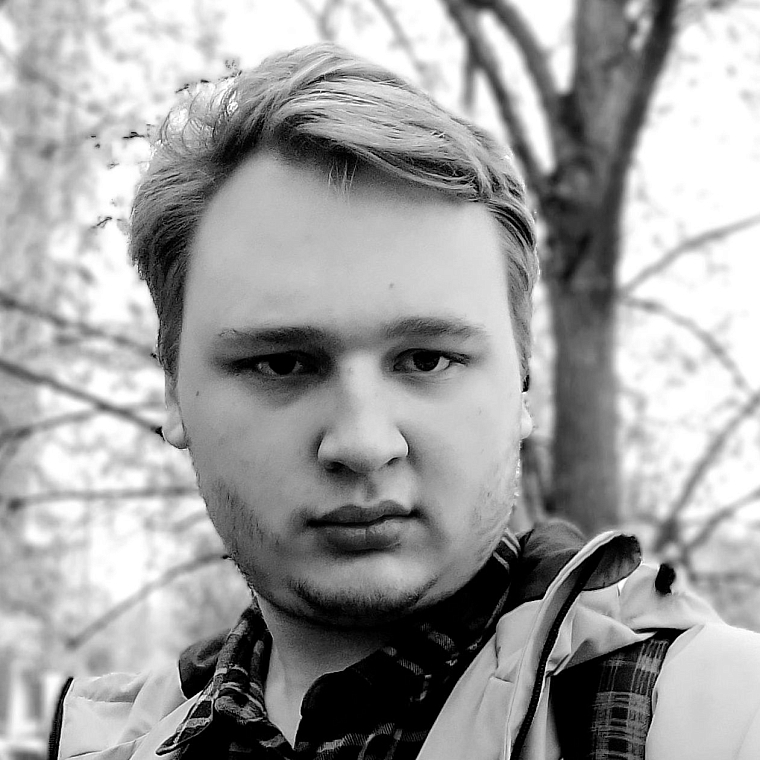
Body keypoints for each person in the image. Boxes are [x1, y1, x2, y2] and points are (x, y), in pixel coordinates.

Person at [49, 44, 760, 760]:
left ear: (522, 382)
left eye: (427, 360)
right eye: (282, 364)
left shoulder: (716, 720)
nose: (363, 443)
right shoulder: (97, 746)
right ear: (173, 393)